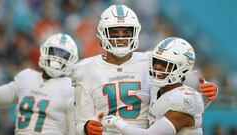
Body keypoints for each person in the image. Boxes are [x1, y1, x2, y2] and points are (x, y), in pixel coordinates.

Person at [73, 4, 217, 135]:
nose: (121, 38)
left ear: (135, 32)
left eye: (126, 32)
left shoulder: (151, 60)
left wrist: (204, 96)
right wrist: (85, 128)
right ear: (103, 33)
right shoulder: (85, 69)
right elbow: (78, 123)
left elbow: (179, 102)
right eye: (115, 32)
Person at [102, 37, 208, 135]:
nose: (157, 66)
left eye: (166, 64)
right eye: (156, 61)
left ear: (183, 68)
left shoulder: (185, 100)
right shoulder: (155, 89)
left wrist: (117, 122)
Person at [0, 33, 79, 135]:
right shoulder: (26, 77)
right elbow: (0, 96)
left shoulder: (71, 88)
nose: (57, 58)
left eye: (63, 55)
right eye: (53, 52)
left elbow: (75, 130)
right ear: (44, 51)